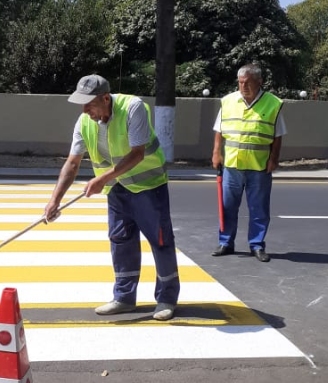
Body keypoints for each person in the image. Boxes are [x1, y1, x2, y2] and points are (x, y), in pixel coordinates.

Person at [44, 74, 179, 321]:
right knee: (120, 240)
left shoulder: (133, 108)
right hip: (117, 191)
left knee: (160, 242)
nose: (85, 110)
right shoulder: (84, 122)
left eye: (90, 104)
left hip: (148, 186)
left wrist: (102, 179)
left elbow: (137, 154)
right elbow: (72, 163)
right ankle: (124, 298)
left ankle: (167, 299)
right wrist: (55, 200)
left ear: (106, 98)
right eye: (82, 105)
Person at [211, 64, 287, 263]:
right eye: (240, 82)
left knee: (259, 209)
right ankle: (226, 242)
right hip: (232, 165)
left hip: (259, 167)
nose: (243, 86)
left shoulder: (272, 103)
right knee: (227, 206)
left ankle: (257, 245)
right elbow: (219, 130)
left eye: (248, 82)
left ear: (259, 82)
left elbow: (277, 136)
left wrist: (274, 158)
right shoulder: (228, 101)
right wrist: (216, 153)